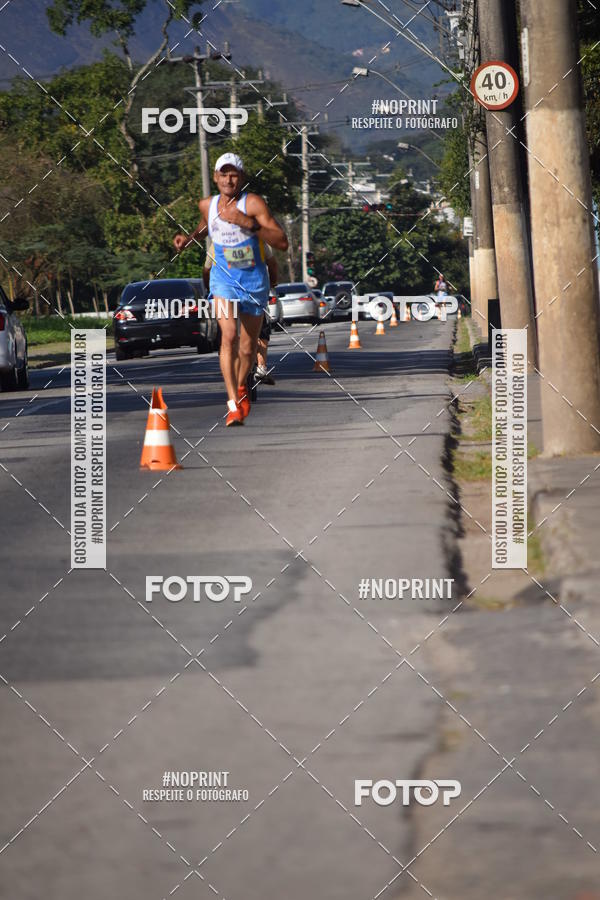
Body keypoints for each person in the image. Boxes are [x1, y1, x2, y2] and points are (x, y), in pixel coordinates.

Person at [174, 152, 288, 426]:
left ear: (242, 178)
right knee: (228, 337)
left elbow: (281, 241)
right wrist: (187, 240)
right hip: (223, 278)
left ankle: (240, 389)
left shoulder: (253, 204)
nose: (228, 179)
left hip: (253, 280)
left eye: (233, 174)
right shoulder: (206, 205)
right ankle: (232, 403)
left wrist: (247, 222)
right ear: (215, 178)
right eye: (223, 174)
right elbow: (205, 227)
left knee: (248, 349)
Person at [203, 237, 278, 386]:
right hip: (251, 294)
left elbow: (207, 270)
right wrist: (273, 283)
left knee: (225, 334)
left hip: (226, 296)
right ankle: (261, 366)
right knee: (261, 328)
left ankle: (227, 359)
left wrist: (208, 288)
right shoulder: (258, 240)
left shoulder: (218, 244)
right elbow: (272, 264)